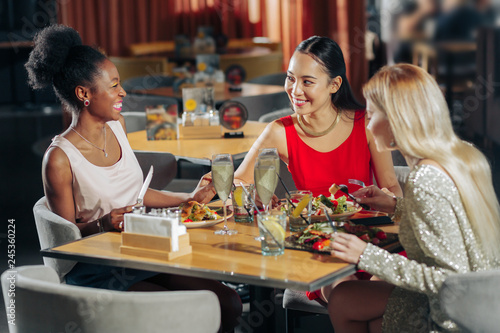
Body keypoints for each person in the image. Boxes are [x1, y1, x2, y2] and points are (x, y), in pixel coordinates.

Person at [26, 24, 241, 332]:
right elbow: (65, 239)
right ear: (84, 94)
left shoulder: (118, 126)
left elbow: (135, 195)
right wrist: (103, 223)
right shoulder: (58, 158)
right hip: (100, 269)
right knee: (184, 314)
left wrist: (189, 199)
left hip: (143, 252)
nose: (122, 92)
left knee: (228, 302)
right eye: (114, 86)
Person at [328, 63, 500, 332]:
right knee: (358, 293)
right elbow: (454, 223)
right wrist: (396, 206)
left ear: (397, 119)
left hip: (453, 313)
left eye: (372, 115)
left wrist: (367, 255)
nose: (368, 125)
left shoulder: (424, 179)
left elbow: (450, 280)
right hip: (489, 303)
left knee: (342, 300)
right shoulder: (463, 155)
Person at [233, 36, 402, 199]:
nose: (295, 90)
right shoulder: (280, 131)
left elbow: (391, 187)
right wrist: (251, 195)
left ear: (334, 85)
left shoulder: (366, 124)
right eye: (290, 78)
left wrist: (389, 198)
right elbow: (238, 181)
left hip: (362, 227)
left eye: (307, 82)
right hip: (309, 227)